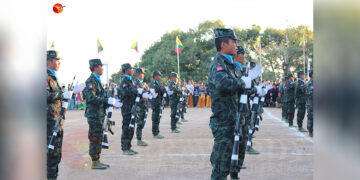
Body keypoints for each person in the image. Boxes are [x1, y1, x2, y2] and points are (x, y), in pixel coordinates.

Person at [208, 28, 247, 180]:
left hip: (234, 121)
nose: (236, 45)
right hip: (224, 123)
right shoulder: (218, 64)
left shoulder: (230, 65)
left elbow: (239, 87)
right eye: (233, 41)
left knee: (232, 162)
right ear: (223, 44)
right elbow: (223, 83)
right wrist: (243, 83)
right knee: (220, 168)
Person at [83, 58, 115, 169]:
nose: (102, 68)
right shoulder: (91, 81)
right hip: (94, 114)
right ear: (96, 67)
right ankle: (94, 161)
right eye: (101, 66)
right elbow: (91, 98)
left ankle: (97, 159)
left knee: (98, 136)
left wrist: (109, 103)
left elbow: (100, 98)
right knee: (95, 137)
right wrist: (106, 101)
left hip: (99, 114)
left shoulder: (97, 80)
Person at [47, 50, 72, 180]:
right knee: (50, 154)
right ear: (49, 61)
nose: (59, 63)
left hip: (56, 121)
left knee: (56, 154)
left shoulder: (53, 78)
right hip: (48, 123)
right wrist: (62, 94)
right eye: (57, 60)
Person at [118, 63, 139, 155]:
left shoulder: (131, 81)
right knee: (126, 127)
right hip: (127, 108)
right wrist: (136, 91)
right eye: (131, 68)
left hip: (132, 107)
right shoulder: (124, 81)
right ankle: (125, 148)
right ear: (126, 70)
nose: (132, 70)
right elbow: (124, 93)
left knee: (131, 127)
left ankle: (129, 146)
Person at [133, 68, 149, 146]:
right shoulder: (135, 83)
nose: (143, 75)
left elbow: (147, 91)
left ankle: (139, 139)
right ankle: (139, 140)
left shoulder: (143, 83)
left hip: (144, 105)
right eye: (142, 73)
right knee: (139, 123)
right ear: (138, 74)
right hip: (139, 105)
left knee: (142, 122)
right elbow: (136, 94)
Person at [150, 71, 165, 139]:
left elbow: (161, 91)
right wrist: (161, 88)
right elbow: (156, 91)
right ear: (155, 76)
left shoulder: (157, 83)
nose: (160, 77)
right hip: (155, 103)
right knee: (155, 118)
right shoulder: (153, 84)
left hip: (158, 103)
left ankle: (157, 132)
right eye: (159, 76)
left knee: (158, 118)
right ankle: (155, 133)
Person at [306, 70, 314, 137]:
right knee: (311, 117)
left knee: (311, 117)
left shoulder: (308, 82)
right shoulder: (311, 83)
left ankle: (311, 131)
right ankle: (311, 132)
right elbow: (310, 93)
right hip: (311, 103)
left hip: (310, 103)